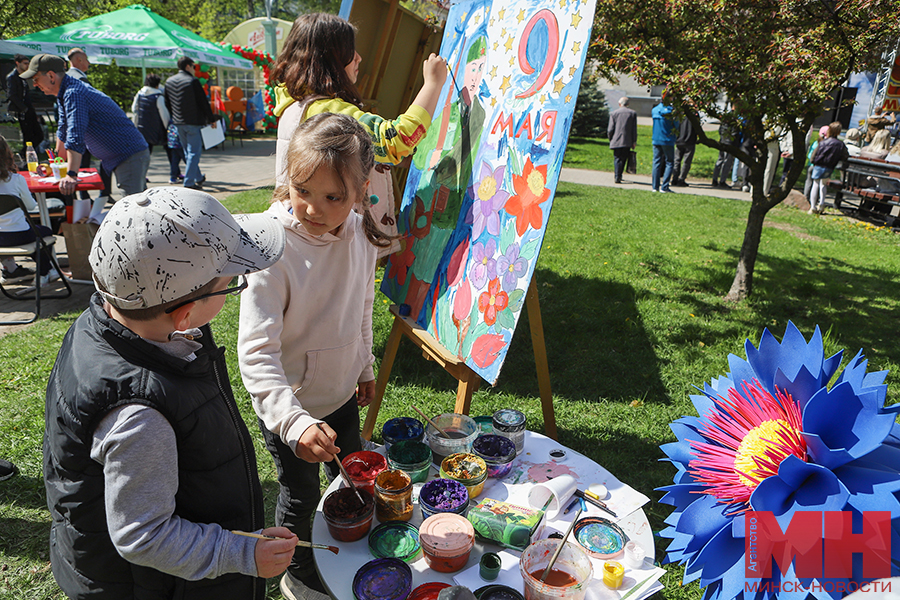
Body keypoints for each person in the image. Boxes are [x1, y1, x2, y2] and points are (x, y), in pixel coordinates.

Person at [44, 186, 291, 600]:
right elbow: (142, 536)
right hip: (153, 588)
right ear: (184, 313)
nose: (235, 288)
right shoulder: (139, 417)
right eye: (231, 284)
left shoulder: (107, 322)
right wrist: (242, 553)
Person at [237, 113, 388, 600]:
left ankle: (349, 536)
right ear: (288, 177)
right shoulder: (269, 247)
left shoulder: (361, 235)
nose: (313, 209)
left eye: (333, 198)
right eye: (302, 190)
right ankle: (298, 566)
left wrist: (363, 365)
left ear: (362, 190)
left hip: (341, 394)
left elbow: (361, 307)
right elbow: (257, 353)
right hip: (291, 412)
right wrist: (295, 423)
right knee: (300, 495)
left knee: (350, 473)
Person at [272, 12, 446, 256]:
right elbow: (394, 140)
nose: (359, 58)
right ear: (332, 58)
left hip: (301, 233)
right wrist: (433, 84)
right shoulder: (327, 111)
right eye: (350, 51)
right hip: (328, 242)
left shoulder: (295, 103)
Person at [21, 54, 149, 199]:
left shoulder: (73, 93)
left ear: (51, 76)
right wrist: (55, 166)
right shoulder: (65, 93)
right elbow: (63, 131)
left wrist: (71, 174)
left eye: (36, 79)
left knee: (133, 207)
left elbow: (75, 134)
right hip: (123, 155)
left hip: (129, 154)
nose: (35, 85)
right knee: (139, 206)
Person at [0, 135, 57, 285]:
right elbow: (31, 207)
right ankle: (45, 271)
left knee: (35, 233)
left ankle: (12, 269)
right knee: (44, 232)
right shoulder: (15, 179)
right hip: (19, 234)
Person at [164, 56, 215, 190]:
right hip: (193, 122)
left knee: (188, 152)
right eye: (194, 66)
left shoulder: (169, 81)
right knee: (194, 153)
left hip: (178, 122)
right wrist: (211, 118)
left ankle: (198, 177)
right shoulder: (192, 81)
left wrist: (174, 116)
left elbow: (167, 103)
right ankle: (189, 183)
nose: (194, 69)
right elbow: (203, 102)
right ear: (188, 66)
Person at [5, 54, 44, 158]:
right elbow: (11, 95)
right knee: (28, 136)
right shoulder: (12, 77)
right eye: (25, 63)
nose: (27, 66)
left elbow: (27, 93)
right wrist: (23, 108)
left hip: (28, 109)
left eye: (28, 63)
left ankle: (25, 153)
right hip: (21, 110)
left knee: (39, 135)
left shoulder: (24, 76)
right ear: (18, 63)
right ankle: (25, 156)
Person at [807, 121, 848, 215]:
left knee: (815, 184)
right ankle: (821, 204)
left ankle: (813, 206)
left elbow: (813, 156)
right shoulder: (840, 144)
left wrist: (814, 161)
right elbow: (845, 155)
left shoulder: (823, 142)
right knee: (823, 184)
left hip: (819, 165)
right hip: (829, 166)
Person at [131, 74, 170, 156]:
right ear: (157, 84)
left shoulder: (139, 94)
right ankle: (174, 168)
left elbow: (134, 109)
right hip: (156, 130)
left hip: (142, 129)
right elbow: (164, 115)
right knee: (169, 150)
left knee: (146, 152)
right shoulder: (158, 97)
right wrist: (167, 127)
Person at [607, 96, 637, 184]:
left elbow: (610, 129)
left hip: (616, 140)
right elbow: (634, 129)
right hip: (627, 140)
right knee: (623, 158)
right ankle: (619, 175)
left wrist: (611, 138)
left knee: (617, 158)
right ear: (628, 104)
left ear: (619, 104)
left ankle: (617, 175)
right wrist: (634, 141)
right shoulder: (632, 113)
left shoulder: (614, 113)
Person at [651, 100, 677, 192]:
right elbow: (676, 125)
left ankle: (655, 187)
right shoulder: (671, 111)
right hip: (667, 139)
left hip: (656, 138)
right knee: (669, 162)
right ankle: (664, 186)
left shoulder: (654, 110)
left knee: (656, 162)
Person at [804, 125, 830, 201]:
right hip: (820, 166)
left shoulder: (816, 143)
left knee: (808, 181)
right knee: (819, 184)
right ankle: (815, 200)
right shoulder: (827, 144)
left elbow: (809, 155)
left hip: (810, 165)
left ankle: (805, 197)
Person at [673, 116, 697, 187]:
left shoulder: (680, 113)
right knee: (686, 162)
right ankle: (681, 179)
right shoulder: (694, 114)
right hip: (690, 140)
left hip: (679, 140)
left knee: (676, 160)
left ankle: (675, 178)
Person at [711, 120, 736, 188]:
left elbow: (720, 130)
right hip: (729, 143)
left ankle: (714, 179)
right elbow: (734, 133)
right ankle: (722, 181)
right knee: (727, 162)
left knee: (720, 160)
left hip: (723, 141)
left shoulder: (725, 119)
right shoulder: (734, 121)